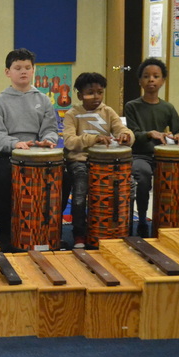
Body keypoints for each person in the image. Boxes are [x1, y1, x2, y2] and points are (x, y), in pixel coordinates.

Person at [0, 48, 59, 252]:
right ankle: (6, 233)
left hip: (37, 156)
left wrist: (47, 141)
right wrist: (15, 144)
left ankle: (49, 229)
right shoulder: (0, 102)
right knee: (2, 181)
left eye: (28, 67)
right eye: (17, 68)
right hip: (9, 156)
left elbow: (51, 129)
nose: (23, 71)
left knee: (65, 177)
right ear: (7, 72)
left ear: (33, 70)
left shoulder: (43, 100)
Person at [124, 58, 179, 237]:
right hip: (140, 156)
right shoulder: (132, 106)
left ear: (163, 81)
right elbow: (134, 134)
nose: (151, 80)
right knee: (142, 176)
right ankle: (142, 219)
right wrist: (150, 133)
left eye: (155, 76)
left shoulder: (168, 107)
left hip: (164, 158)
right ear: (140, 81)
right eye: (146, 76)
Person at [61, 72, 134, 248]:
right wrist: (93, 139)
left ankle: (118, 228)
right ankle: (79, 234)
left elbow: (124, 130)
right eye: (90, 92)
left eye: (100, 92)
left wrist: (126, 136)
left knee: (127, 189)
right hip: (79, 161)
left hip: (105, 163)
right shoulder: (72, 114)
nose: (96, 97)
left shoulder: (108, 112)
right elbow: (70, 142)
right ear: (79, 95)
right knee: (79, 193)